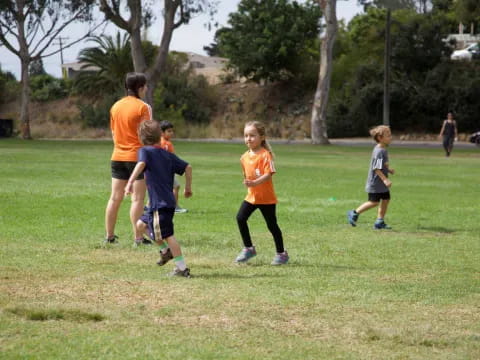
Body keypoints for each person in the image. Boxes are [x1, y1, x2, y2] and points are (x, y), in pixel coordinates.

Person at [125, 120, 193, 277]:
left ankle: (182, 269)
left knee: (168, 236)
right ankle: (165, 252)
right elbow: (187, 167)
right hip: (158, 203)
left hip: (161, 204)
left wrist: (130, 182)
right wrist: (188, 187)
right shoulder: (167, 154)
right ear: (159, 136)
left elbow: (141, 164)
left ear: (141, 138)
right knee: (141, 225)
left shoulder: (145, 151)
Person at [104, 72, 152, 245]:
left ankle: (109, 236)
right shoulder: (143, 107)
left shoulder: (115, 106)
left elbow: (114, 133)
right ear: (140, 87)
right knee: (137, 199)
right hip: (137, 157)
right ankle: (138, 238)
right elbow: (147, 135)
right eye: (145, 86)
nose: (146, 89)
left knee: (115, 197)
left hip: (117, 155)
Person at [234, 121, 289, 265]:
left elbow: (269, 173)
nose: (248, 139)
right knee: (240, 218)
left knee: (272, 226)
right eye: (246, 136)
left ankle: (281, 253)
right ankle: (248, 248)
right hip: (252, 197)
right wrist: (248, 183)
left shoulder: (265, 155)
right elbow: (247, 175)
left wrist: (254, 182)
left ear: (262, 137)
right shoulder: (244, 157)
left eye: (252, 135)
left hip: (266, 199)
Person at [347, 125, 395, 230]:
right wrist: (385, 179)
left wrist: (388, 170)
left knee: (386, 199)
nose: (391, 137)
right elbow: (376, 168)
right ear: (380, 138)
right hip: (376, 182)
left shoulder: (383, 149)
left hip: (381, 183)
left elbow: (382, 165)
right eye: (388, 135)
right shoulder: (379, 151)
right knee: (374, 202)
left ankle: (379, 221)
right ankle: (354, 213)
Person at [158, 121, 188, 213]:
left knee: (158, 188)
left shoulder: (159, 141)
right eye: (169, 131)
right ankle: (174, 207)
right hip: (166, 170)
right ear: (162, 133)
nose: (172, 133)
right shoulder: (166, 144)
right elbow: (170, 158)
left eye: (172, 131)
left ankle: (149, 205)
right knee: (176, 186)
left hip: (159, 170)